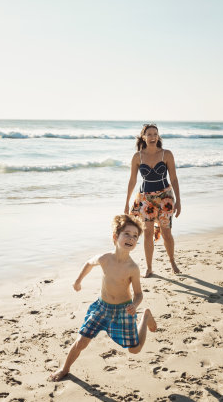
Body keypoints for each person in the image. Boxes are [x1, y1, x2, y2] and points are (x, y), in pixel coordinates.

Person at [48, 214, 157, 382]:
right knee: (82, 341)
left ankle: (146, 316)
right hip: (101, 308)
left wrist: (135, 305)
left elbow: (139, 294)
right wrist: (78, 281)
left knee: (134, 350)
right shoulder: (105, 258)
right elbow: (89, 263)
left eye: (135, 236)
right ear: (115, 237)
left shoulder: (132, 268)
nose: (131, 238)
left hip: (123, 311)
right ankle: (64, 368)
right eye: (127, 234)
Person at [124, 123, 181, 276]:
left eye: (155, 134)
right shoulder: (137, 156)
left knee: (166, 232)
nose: (152, 137)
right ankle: (149, 267)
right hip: (146, 199)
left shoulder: (166, 154)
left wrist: (179, 201)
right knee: (148, 233)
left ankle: (172, 261)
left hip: (165, 198)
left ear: (158, 136)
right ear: (143, 137)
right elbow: (132, 181)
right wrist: (127, 202)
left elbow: (174, 179)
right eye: (149, 134)